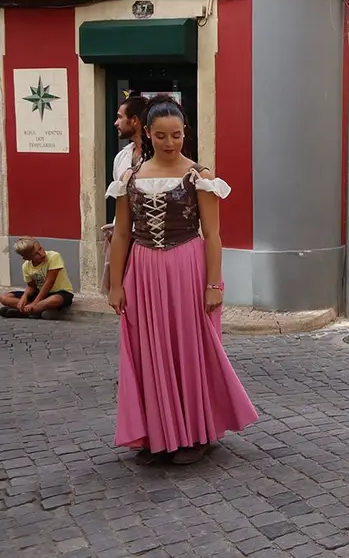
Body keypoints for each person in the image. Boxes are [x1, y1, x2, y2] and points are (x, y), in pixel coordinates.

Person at [106, 94, 258, 465]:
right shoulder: (130, 177)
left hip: (187, 267)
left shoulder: (199, 177)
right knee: (148, 348)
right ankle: (156, 432)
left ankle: (196, 432)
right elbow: (123, 232)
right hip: (142, 270)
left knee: (190, 349)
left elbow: (214, 234)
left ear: (185, 132)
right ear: (148, 133)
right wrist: (115, 283)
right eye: (161, 136)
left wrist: (212, 285)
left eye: (176, 135)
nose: (170, 143)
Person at [102, 94, 149, 293]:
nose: (116, 122)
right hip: (122, 235)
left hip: (147, 238)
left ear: (135, 121)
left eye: (120, 117)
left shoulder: (159, 157)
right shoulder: (121, 157)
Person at [1, 237, 75, 319]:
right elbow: (31, 287)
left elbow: (49, 282)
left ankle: (22, 312)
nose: (41, 253)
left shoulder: (54, 256)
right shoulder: (26, 266)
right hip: (39, 293)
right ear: (26, 258)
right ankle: (38, 310)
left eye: (40, 248)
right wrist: (24, 297)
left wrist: (35, 303)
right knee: (4, 298)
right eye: (36, 254)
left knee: (55, 300)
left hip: (60, 293)